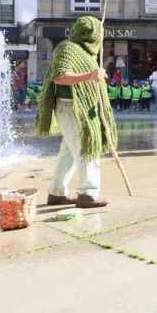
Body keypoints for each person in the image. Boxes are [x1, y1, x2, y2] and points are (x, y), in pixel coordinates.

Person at [34, 16, 116, 209]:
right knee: (87, 148)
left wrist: (97, 76)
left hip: (80, 108)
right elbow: (59, 77)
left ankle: (56, 193)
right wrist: (91, 75)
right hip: (71, 107)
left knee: (69, 153)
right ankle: (88, 193)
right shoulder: (67, 48)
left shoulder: (86, 54)